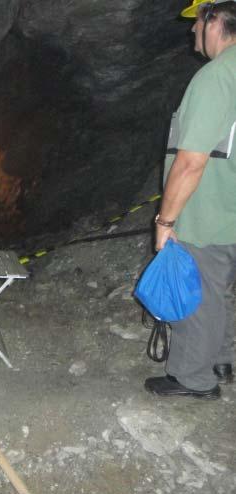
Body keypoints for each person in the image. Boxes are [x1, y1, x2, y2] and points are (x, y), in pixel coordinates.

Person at [145, 0, 236, 399]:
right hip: (230, 208)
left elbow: (191, 161)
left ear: (214, 20)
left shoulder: (217, 76)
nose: (191, 30)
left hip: (210, 210)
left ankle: (193, 379)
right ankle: (223, 359)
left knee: (199, 290)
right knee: (221, 289)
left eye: (196, 20)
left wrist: (165, 222)